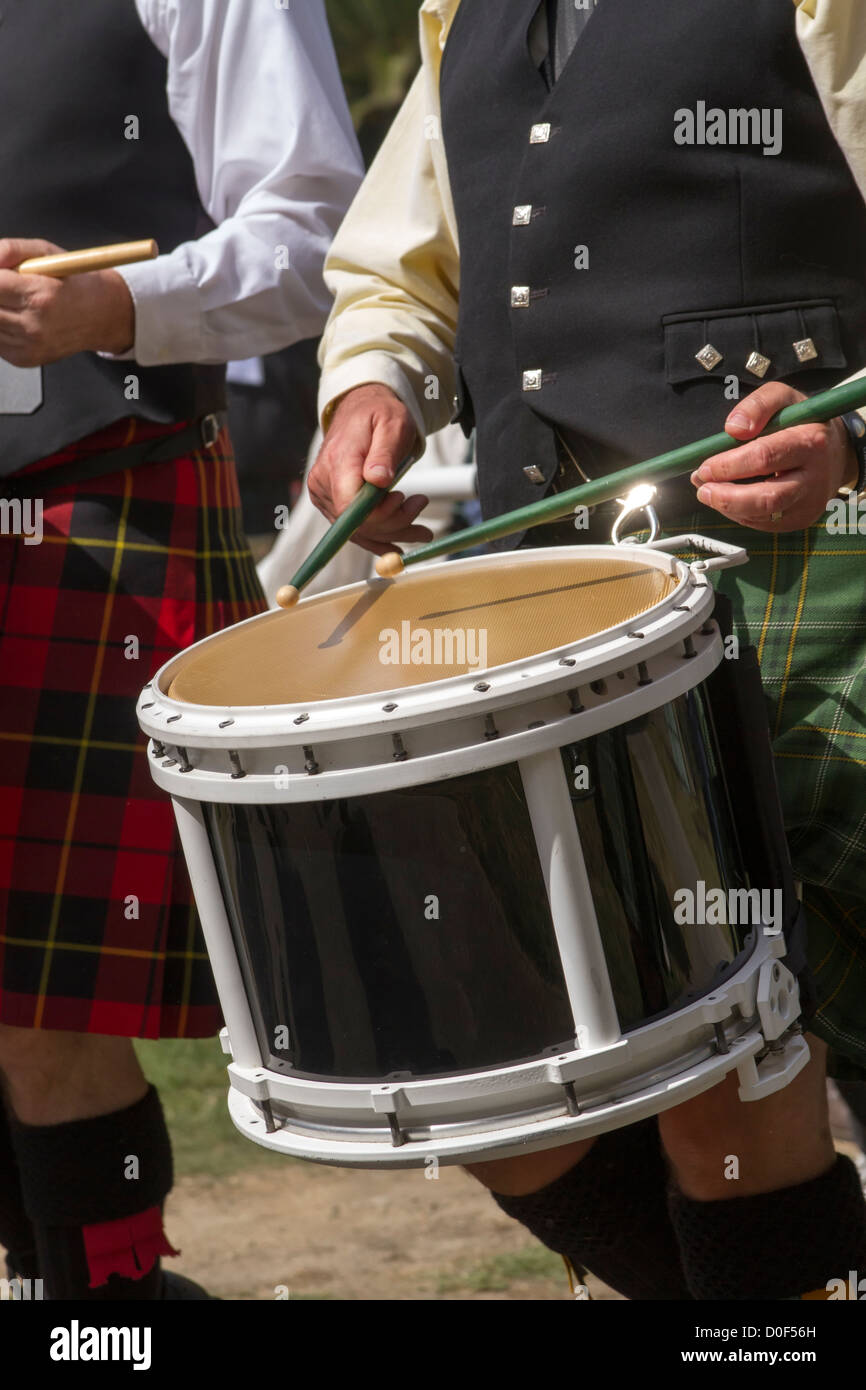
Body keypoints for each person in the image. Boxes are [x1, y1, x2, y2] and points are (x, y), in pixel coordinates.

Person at [310, 0, 866, 1299]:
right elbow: (404, 261)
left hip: (819, 576)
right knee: (640, 1061)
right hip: (552, 607)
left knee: (756, 1050)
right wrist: (376, 381)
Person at [0, 0, 361, 1300]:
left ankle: (109, 1317)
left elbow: (312, 235)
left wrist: (112, 301)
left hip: (92, 487)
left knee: (39, 1013)